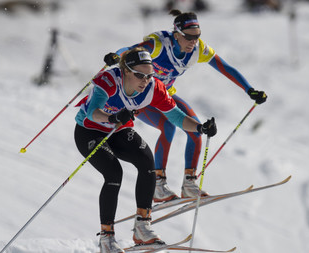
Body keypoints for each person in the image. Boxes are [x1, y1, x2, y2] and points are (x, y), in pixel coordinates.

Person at [104, 9, 267, 203]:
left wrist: (249, 90)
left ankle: (189, 185)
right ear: (176, 35)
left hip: (164, 95)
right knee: (168, 127)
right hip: (141, 97)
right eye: (189, 37)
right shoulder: (158, 45)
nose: (193, 41)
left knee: (197, 128)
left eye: (197, 36)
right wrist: (116, 55)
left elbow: (225, 68)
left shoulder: (199, 49)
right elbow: (131, 50)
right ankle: (158, 184)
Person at [74, 47, 217, 253]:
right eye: (140, 75)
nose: (145, 80)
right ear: (125, 71)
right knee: (114, 173)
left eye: (149, 75)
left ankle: (142, 227)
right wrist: (112, 117)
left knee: (147, 161)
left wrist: (199, 127)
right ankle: (107, 239)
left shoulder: (154, 88)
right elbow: (93, 113)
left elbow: (176, 116)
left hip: (119, 130)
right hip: (89, 131)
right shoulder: (109, 81)